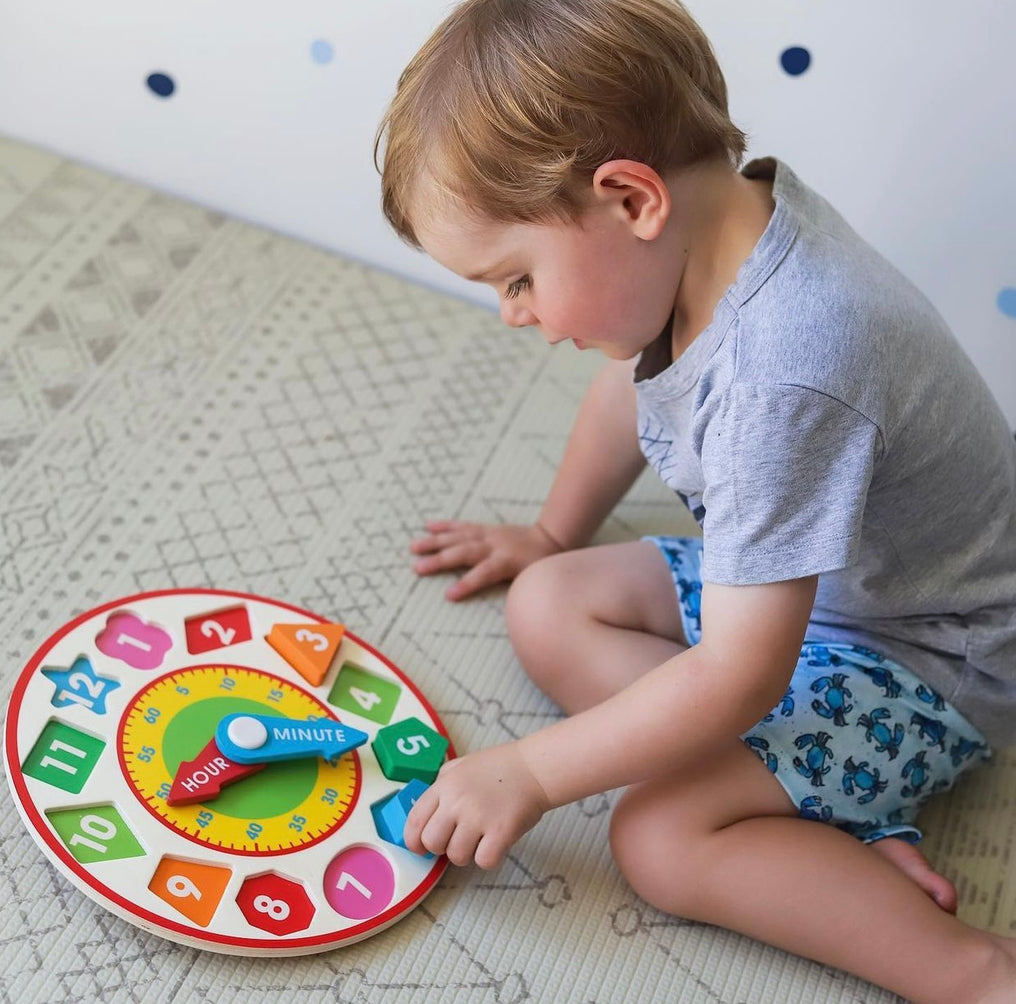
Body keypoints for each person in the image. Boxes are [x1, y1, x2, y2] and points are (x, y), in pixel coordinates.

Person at [373, 1, 1016, 1000]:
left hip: (928, 653)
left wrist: (531, 771)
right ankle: (823, 809)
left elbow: (740, 676)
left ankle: (969, 971)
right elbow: (636, 384)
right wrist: (550, 533)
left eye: (516, 278)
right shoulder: (717, 228)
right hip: (812, 590)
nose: (513, 314)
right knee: (549, 596)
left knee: (660, 832)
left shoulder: (788, 368)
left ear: (630, 199)